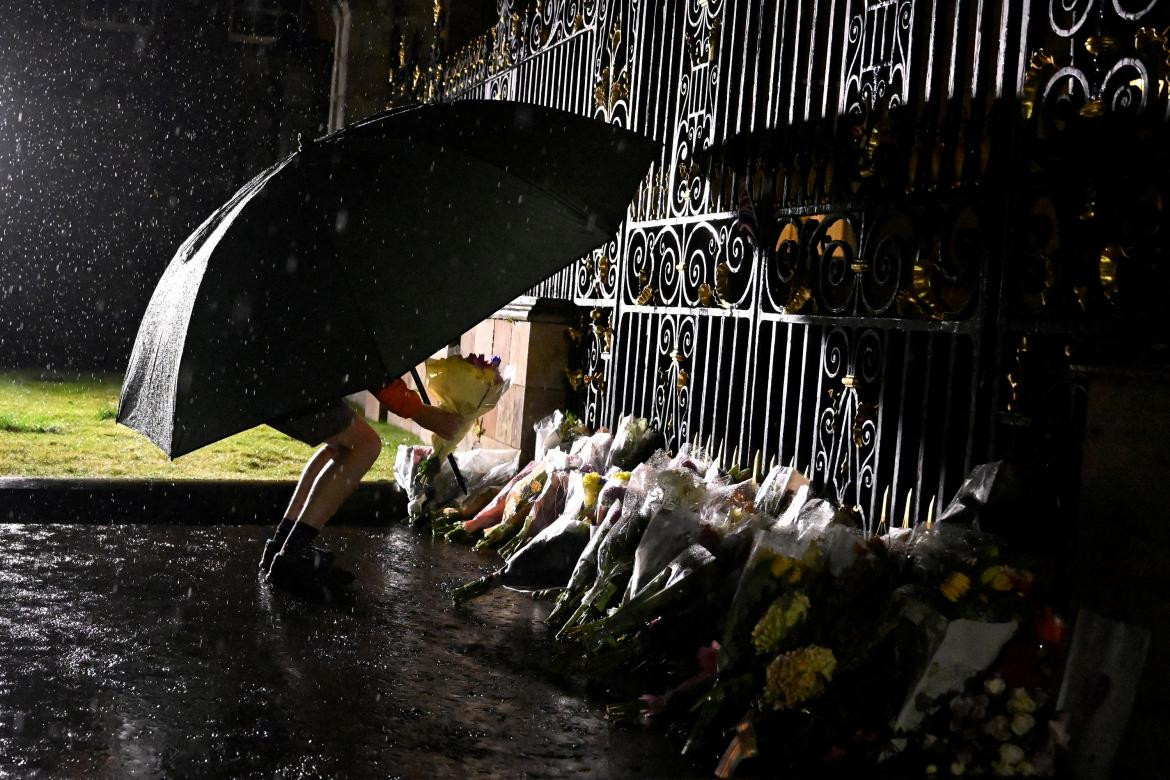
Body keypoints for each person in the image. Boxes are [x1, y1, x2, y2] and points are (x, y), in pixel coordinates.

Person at [258, 377, 461, 590]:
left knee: (344, 445)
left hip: (280, 374)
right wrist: (419, 411)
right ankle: (291, 559)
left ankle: (283, 545)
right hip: (289, 379)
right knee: (365, 445)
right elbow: (370, 369)